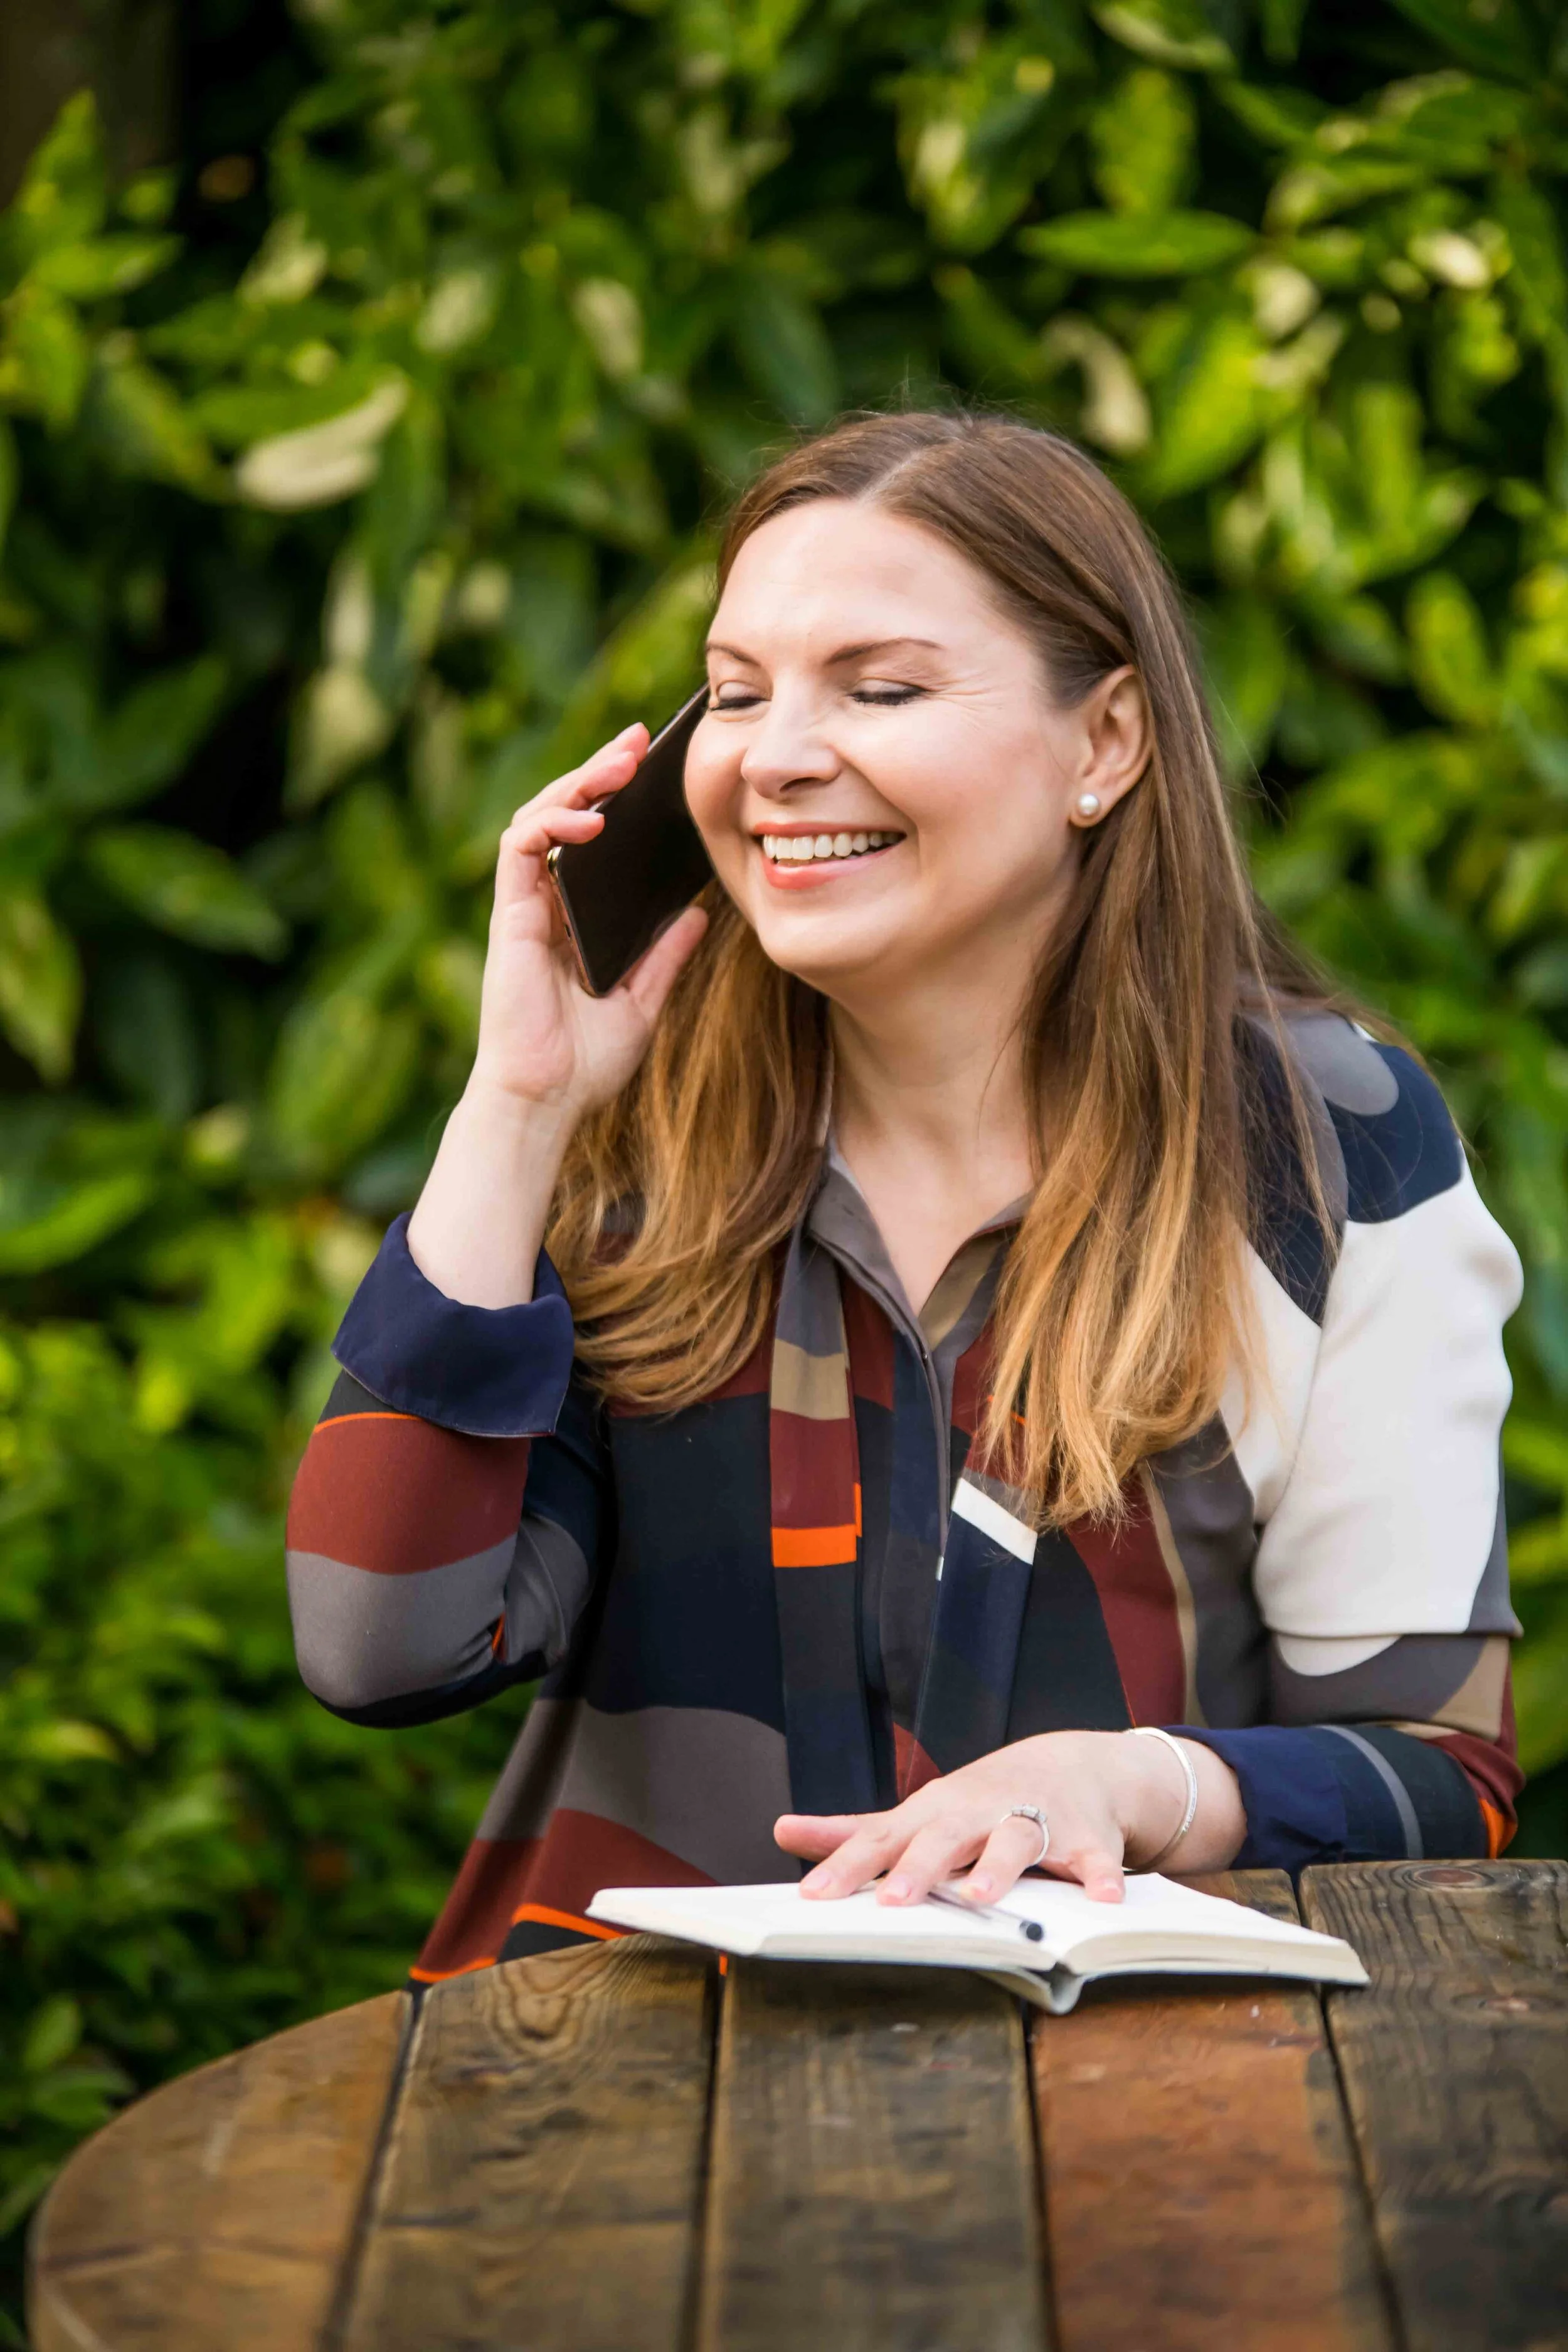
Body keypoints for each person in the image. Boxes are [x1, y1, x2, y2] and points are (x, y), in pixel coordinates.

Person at [285, 411, 1523, 1983]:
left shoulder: (1324, 1142)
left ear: (1104, 745)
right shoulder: (634, 1136)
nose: (777, 755)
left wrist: (1129, 1785)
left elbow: (1437, 1773)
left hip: (1134, 2092)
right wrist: (517, 1105)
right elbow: (377, 1648)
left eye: (879, 689)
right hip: (616, 2078)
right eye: (737, 692)